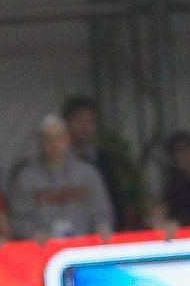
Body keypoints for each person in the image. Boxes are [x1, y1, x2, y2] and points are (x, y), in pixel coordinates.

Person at [7, 114, 114, 241]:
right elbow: (19, 219)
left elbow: (102, 212)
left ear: (67, 140)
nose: (53, 144)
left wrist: (102, 229)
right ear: (40, 143)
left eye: (58, 138)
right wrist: (34, 234)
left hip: (83, 245)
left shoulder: (88, 174)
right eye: (47, 139)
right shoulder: (26, 178)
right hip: (44, 249)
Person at [62, 95, 146, 228]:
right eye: (78, 120)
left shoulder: (105, 161)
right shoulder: (56, 162)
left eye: (90, 122)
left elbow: (115, 202)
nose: (84, 127)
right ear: (65, 124)